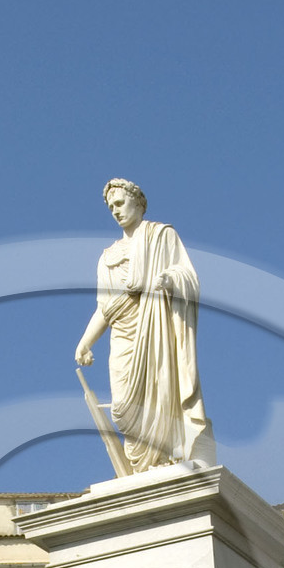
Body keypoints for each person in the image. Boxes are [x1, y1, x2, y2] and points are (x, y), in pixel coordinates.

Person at [75, 180, 216, 474]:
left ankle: (165, 457)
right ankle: (141, 466)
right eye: (110, 207)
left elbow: (188, 276)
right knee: (123, 407)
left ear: (138, 203)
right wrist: (86, 342)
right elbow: (105, 308)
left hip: (156, 329)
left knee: (161, 394)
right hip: (122, 337)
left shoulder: (160, 236)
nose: (115, 211)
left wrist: (169, 280)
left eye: (120, 203)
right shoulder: (107, 257)